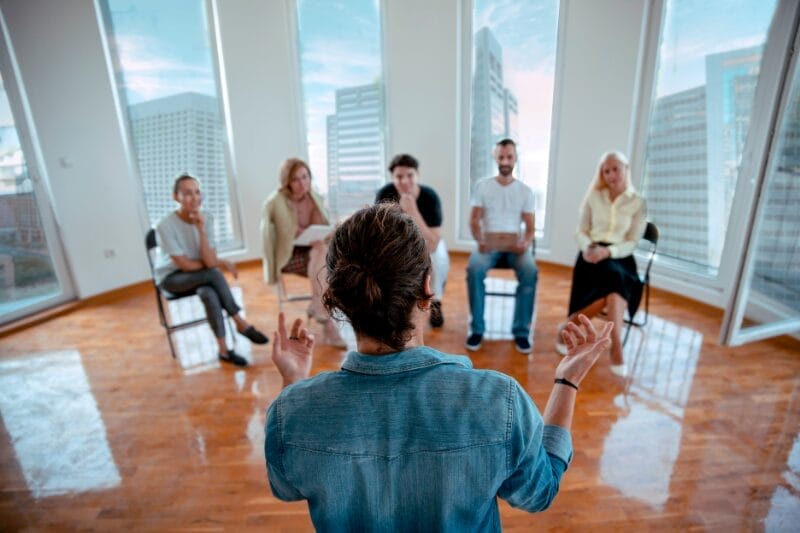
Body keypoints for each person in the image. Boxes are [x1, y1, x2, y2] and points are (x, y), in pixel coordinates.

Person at [264, 203, 613, 530]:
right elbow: (540, 492)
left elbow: (285, 485)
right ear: (427, 287)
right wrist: (567, 381)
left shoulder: (291, 412)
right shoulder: (500, 402)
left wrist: (293, 385)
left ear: (338, 299)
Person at [154, 174, 269, 367]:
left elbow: (208, 260)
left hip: (200, 277)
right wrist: (218, 263)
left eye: (197, 192)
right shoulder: (164, 226)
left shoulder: (206, 218)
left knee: (208, 292)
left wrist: (200, 230)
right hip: (171, 278)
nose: (195, 197)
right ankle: (240, 322)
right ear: (176, 197)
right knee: (214, 274)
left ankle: (224, 350)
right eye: (187, 193)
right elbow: (185, 265)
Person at [556, 151, 647, 378]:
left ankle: (571, 326)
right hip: (591, 254)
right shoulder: (594, 196)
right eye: (606, 171)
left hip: (620, 256)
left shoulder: (638, 202)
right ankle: (616, 347)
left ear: (626, 168)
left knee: (616, 279)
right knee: (614, 285)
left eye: (615, 169)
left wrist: (609, 251)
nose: (611, 175)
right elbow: (581, 230)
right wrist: (588, 248)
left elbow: (633, 241)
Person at [261, 158, 345, 347]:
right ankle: (325, 318)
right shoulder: (275, 202)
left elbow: (321, 227)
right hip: (289, 256)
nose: (302, 183)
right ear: (287, 182)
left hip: (313, 252)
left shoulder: (314, 197)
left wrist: (323, 234)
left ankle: (318, 306)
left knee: (321, 253)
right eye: (296, 179)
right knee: (324, 261)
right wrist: (296, 233)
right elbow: (273, 235)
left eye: (305, 177)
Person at [466, 138, 538, 354]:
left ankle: (521, 332)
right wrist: (480, 240)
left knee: (530, 271)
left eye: (509, 157)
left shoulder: (525, 191)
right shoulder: (483, 186)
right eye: (501, 157)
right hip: (489, 246)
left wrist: (525, 242)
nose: (505, 161)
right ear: (495, 157)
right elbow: (474, 220)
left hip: (515, 246)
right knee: (474, 269)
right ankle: (477, 329)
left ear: (515, 159)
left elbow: (531, 227)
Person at [375, 153, 449, 328]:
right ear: (392, 178)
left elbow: (433, 242)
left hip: (427, 241)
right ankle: (389, 306)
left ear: (418, 175)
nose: (405, 181)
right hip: (398, 242)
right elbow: (380, 233)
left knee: (437, 260)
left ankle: (435, 301)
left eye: (410, 175)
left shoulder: (430, 197)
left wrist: (412, 211)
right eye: (399, 177)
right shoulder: (385, 194)